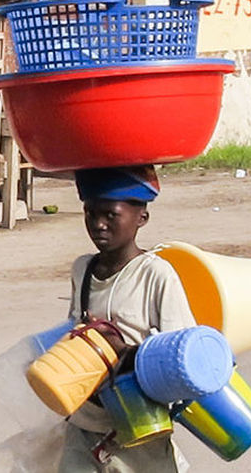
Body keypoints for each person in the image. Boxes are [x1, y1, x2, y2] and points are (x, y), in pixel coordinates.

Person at [61, 165, 196, 473]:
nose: (98, 225)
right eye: (90, 214)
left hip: (138, 429)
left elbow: (180, 362)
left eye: (111, 215)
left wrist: (123, 352)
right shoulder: (82, 269)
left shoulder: (156, 274)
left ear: (141, 218)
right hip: (85, 425)